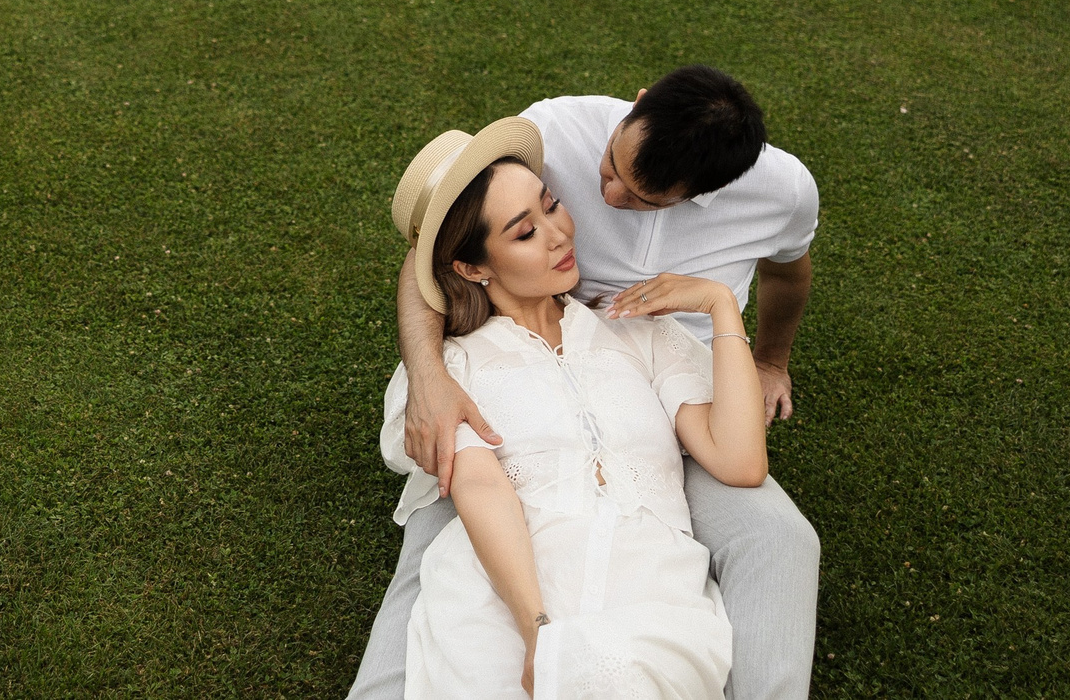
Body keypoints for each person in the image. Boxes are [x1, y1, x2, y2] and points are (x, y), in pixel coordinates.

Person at [349, 69, 820, 700]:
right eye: (526, 230)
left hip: (665, 458)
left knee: (779, 540)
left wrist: (725, 313)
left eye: (552, 205)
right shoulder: (551, 135)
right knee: (438, 580)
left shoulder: (650, 332)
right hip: (516, 540)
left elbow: (741, 452)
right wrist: (428, 375)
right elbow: (429, 245)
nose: (572, 223)